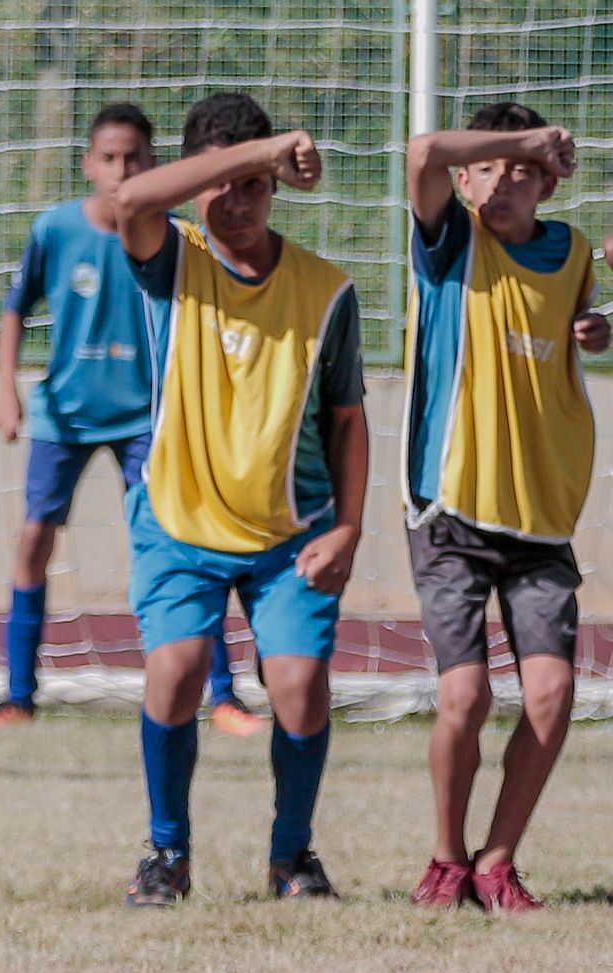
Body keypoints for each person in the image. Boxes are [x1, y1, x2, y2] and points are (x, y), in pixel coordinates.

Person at [112, 92, 369, 905]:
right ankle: (166, 853)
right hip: (178, 517)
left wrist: (352, 528)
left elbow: (349, 420)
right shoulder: (171, 257)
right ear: (197, 184)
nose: (240, 201)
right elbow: (129, 198)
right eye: (225, 182)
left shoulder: (327, 289)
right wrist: (261, 152)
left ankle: (292, 858)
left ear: (278, 190)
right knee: (178, 669)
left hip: (290, 530)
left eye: (258, 183)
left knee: (297, 687)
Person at [0, 102, 259, 736]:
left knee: (182, 546)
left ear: (155, 165)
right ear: (89, 163)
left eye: (136, 159)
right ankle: (17, 695)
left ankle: (223, 696)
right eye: (110, 158)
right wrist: (6, 390)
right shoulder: (57, 229)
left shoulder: (172, 236)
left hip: (147, 418)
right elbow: (13, 310)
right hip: (64, 416)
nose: (122, 169)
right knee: (34, 540)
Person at [402, 103, 608, 912]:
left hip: (541, 515)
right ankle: (447, 856)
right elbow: (422, 148)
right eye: (487, 164)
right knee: (467, 696)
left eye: (523, 168)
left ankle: (497, 859)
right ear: (464, 178)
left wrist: (599, 328)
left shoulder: (574, 252)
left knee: (554, 695)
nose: (503, 179)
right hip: (452, 510)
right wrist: (523, 139)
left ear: (549, 184)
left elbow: (575, 330)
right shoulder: (451, 241)